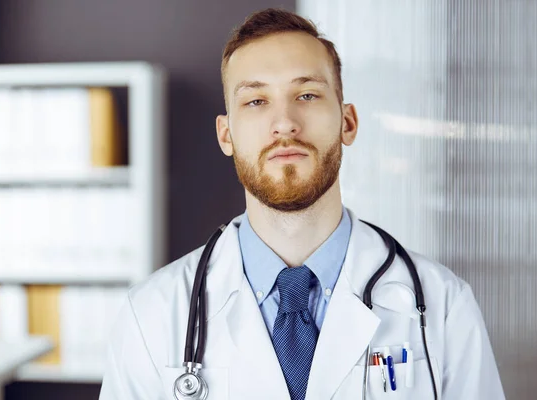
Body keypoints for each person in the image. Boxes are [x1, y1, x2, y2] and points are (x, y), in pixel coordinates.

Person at [99, 7, 504, 400]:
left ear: (348, 122)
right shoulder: (151, 314)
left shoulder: (444, 305)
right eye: (256, 101)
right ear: (226, 135)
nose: (285, 122)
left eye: (307, 94)